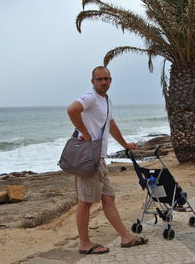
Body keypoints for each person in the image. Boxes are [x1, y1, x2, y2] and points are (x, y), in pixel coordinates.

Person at [67, 66, 148, 254]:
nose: (104, 82)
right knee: (85, 201)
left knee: (109, 198)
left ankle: (126, 237)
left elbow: (110, 124)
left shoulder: (106, 100)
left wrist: (125, 143)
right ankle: (84, 243)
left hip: (99, 158)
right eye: (99, 79)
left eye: (107, 79)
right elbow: (72, 110)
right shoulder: (90, 97)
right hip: (89, 157)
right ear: (92, 81)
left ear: (110, 80)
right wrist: (85, 133)